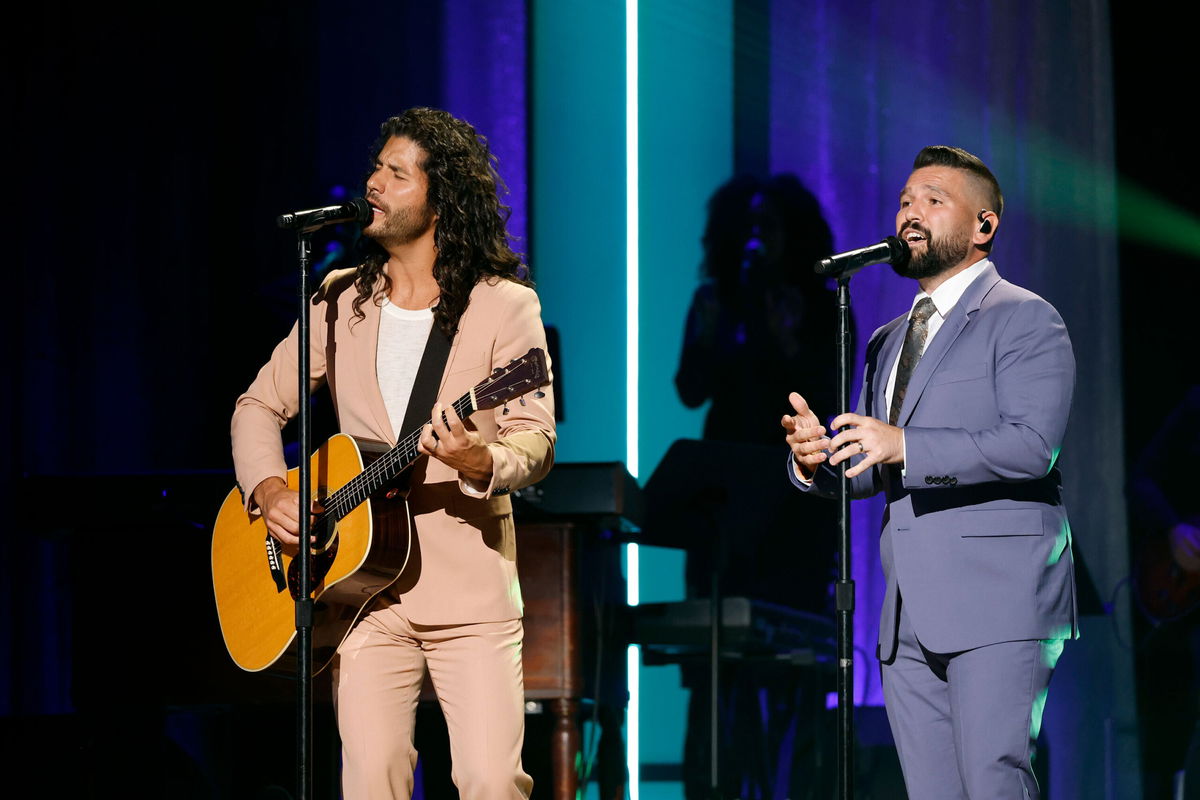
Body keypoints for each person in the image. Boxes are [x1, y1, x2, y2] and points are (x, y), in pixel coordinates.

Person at [231, 107, 555, 799]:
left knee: (491, 781)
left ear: (442, 201)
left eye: (395, 173)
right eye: (376, 167)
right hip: (361, 595)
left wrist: (480, 462)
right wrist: (270, 491)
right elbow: (257, 406)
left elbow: (536, 437)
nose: (373, 183)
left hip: (468, 592)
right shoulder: (339, 299)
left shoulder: (505, 306)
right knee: (370, 782)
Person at [783, 146, 1077, 799]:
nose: (910, 213)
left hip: (998, 599)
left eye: (933, 200)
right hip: (907, 614)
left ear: (984, 226)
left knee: (992, 784)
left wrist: (906, 445)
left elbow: (1032, 446)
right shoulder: (888, 338)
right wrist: (817, 460)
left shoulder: (1024, 317)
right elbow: (872, 462)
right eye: (904, 200)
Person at [672, 174, 840, 799]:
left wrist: (790, 336)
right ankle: (711, 786)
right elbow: (689, 387)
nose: (754, 239)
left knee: (789, 664)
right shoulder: (717, 298)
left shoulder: (817, 303)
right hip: (723, 500)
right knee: (715, 667)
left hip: (791, 502)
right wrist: (712, 329)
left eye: (768, 227)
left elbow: (827, 395)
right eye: (747, 227)